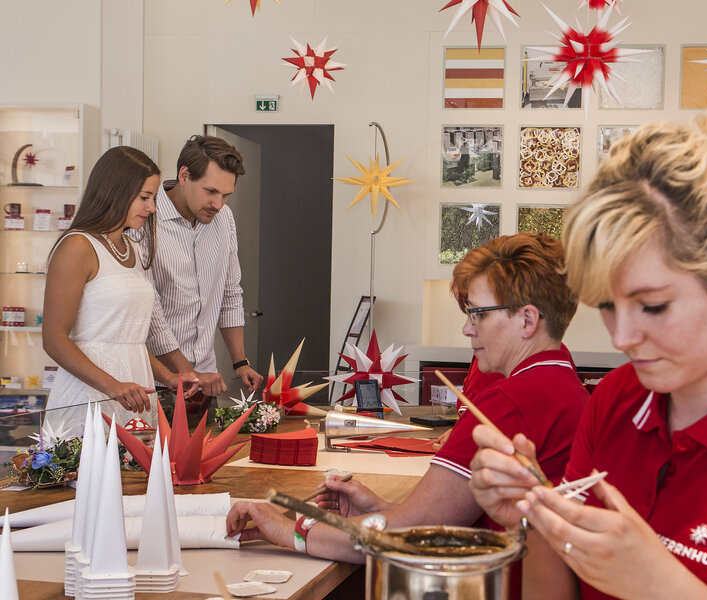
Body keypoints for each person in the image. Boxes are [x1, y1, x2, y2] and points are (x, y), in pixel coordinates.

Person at [469, 109, 707, 599]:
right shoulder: (618, 398)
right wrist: (534, 517)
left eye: (652, 306)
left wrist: (659, 583)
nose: (621, 337)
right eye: (607, 305)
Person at [226, 233, 588, 597]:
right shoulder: (564, 384)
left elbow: (407, 536)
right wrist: (385, 508)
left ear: (527, 320)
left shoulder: (509, 403)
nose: (467, 328)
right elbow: (442, 519)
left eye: (477, 313)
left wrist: (289, 529)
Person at [42, 146, 198, 434]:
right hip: (89, 393)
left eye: (152, 198)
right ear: (115, 191)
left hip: (134, 389)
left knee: (135, 476)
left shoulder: (133, 249)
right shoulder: (77, 247)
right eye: (144, 198)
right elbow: (54, 340)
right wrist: (112, 386)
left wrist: (168, 376)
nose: (152, 208)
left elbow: (127, 338)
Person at [140, 135, 264, 406]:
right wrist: (189, 373)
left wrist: (239, 362)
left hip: (206, 382)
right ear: (184, 175)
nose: (218, 204)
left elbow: (231, 292)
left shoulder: (225, 218)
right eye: (211, 192)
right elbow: (151, 317)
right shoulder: (145, 219)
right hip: (155, 384)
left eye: (226, 195)